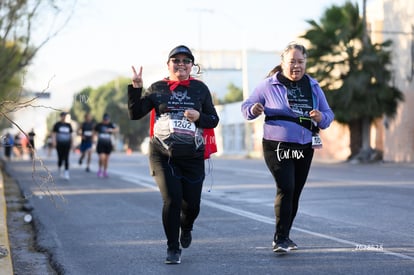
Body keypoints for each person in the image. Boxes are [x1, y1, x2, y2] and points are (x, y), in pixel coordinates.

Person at [128, 45, 219, 264]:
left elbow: (213, 119)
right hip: (162, 154)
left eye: (186, 61)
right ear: (168, 65)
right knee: (172, 200)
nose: (181, 64)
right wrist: (136, 89)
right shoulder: (158, 88)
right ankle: (172, 248)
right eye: (176, 61)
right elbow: (135, 113)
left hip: (193, 156)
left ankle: (186, 227)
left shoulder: (200, 89)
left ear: (191, 66)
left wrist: (199, 116)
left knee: (192, 205)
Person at [241, 42, 334, 253]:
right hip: (277, 145)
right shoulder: (268, 85)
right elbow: (246, 108)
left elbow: (328, 115)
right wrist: (254, 109)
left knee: (295, 193)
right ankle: (280, 238)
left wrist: (321, 117)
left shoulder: (313, 86)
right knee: (287, 187)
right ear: (283, 63)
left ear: (305, 63)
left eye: (300, 62)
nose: (296, 66)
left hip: (305, 144)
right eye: (292, 61)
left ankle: (285, 235)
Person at [94, 113, 118, 178]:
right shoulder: (99, 125)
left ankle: (105, 171)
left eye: (107, 120)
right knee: (102, 158)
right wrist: (94, 138)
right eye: (105, 120)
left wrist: (111, 130)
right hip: (100, 144)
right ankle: (99, 170)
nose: (106, 121)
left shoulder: (111, 125)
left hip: (108, 144)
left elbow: (116, 129)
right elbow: (94, 131)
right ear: (103, 119)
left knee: (106, 159)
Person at [52, 112, 73, 180]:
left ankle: (66, 172)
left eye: (65, 116)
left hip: (67, 144)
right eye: (63, 116)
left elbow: (71, 135)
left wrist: (72, 143)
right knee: (60, 158)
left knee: (66, 158)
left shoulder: (68, 125)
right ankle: (60, 167)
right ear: (60, 116)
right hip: (59, 144)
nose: (64, 117)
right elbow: (54, 134)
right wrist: (54, 141)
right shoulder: (57, 125)